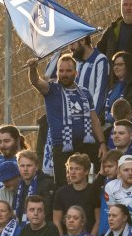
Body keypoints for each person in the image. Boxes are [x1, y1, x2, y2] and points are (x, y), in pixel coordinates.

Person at [26, 53, 106, 185]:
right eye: (61, 71)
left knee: (91, 183)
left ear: (76, 73)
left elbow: (94, 120)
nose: (64, 74)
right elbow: (36, 81)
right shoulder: (52, 90)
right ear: (57, 72)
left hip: (86, 145)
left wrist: (102, 143)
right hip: (62, 148)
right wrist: (33, 68)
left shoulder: (85, 93)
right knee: (63, 187)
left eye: (68, 71)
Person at [52, 152, 100, 236]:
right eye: (70, 169)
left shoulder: (94, 191)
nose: (73, 172)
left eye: (77, 169)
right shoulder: (61, 192)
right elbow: (56, 221)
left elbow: (98, 220)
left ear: (86, 171)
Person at [103, 51, 132, 125]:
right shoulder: (113, 86)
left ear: (128, 65)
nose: (116, 67)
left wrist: (127, 119)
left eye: (120, 64)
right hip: (109, 126)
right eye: (114, 65)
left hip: (128, 126)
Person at [0, 125, 24, 189]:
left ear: (17, 140)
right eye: (0, 141)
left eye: (6, 141)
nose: (2, 145)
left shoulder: (25, 160)